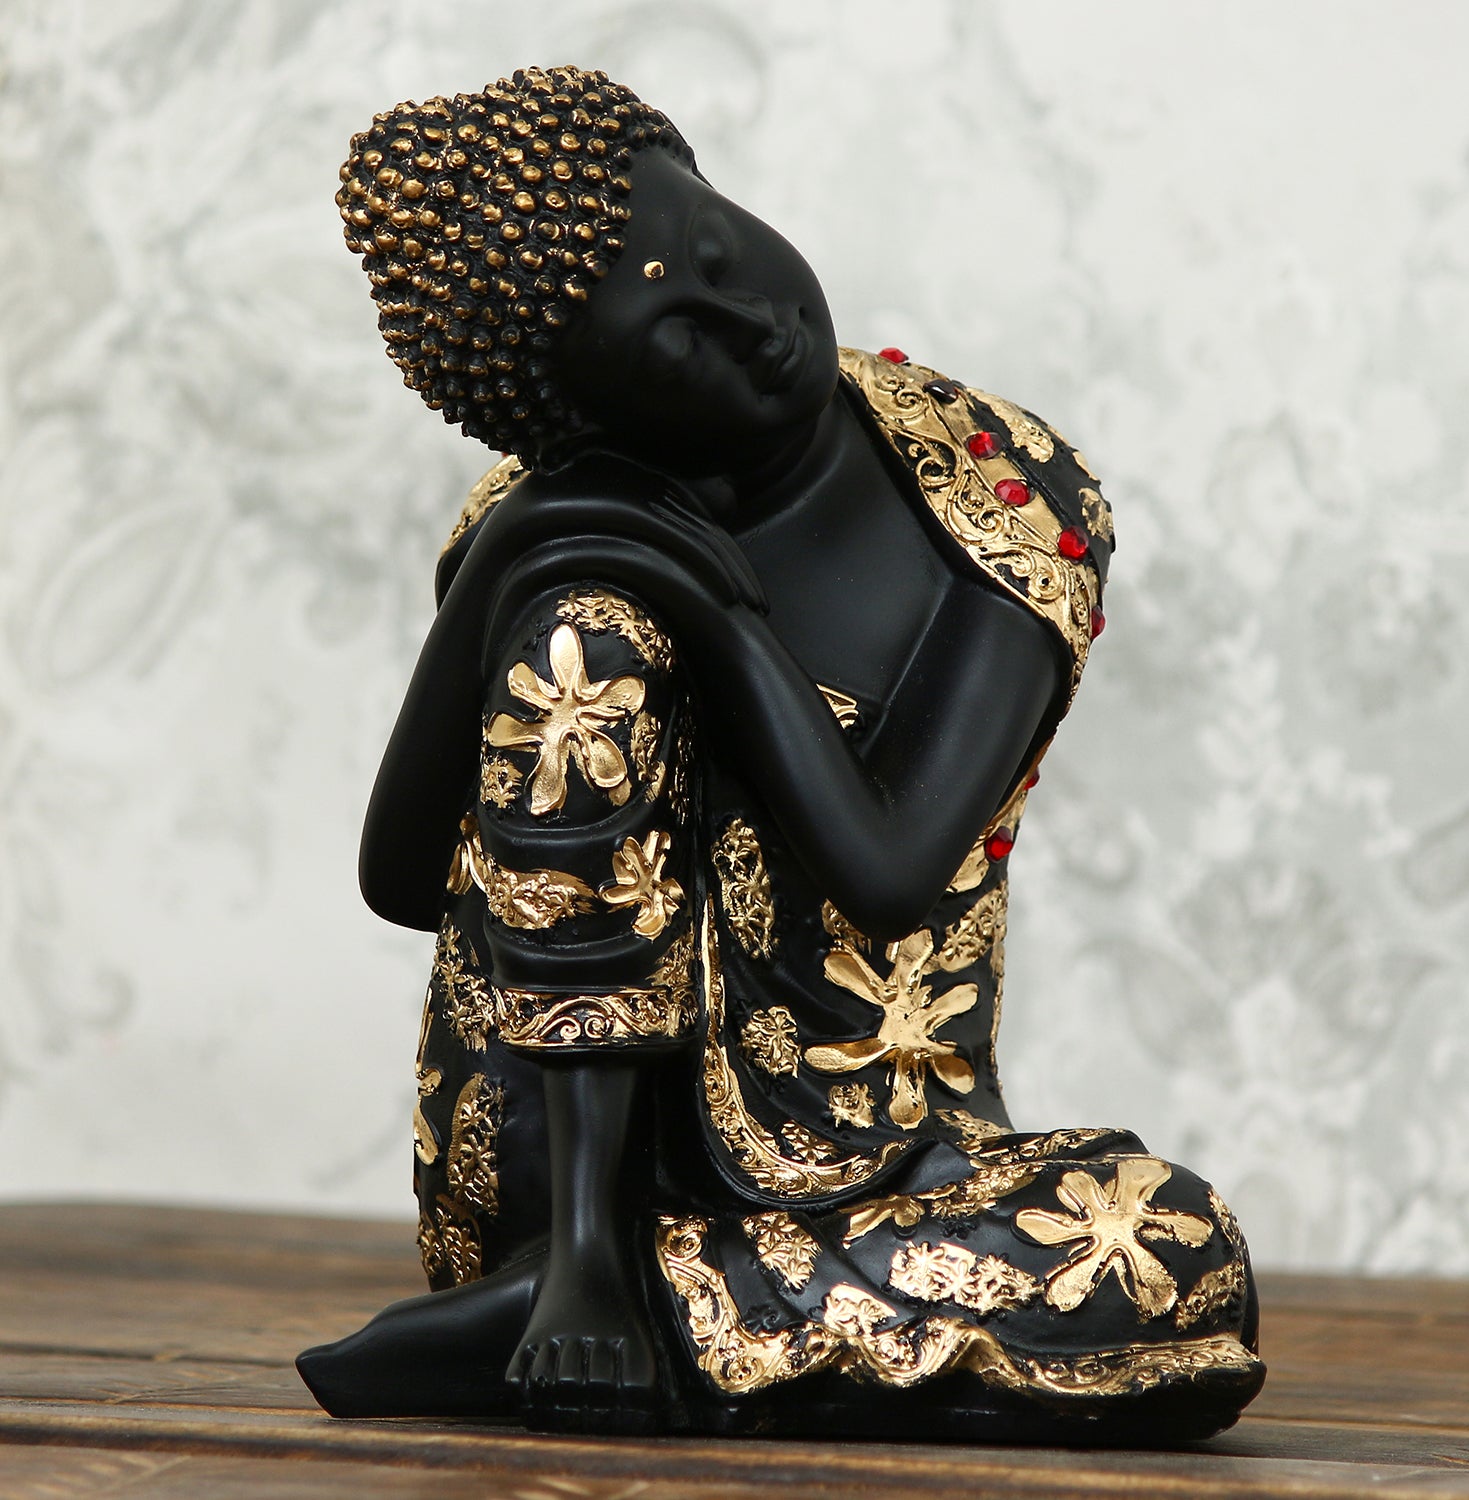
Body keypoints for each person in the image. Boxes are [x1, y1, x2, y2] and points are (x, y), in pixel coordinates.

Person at [298, 66, 1262, 1441]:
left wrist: (726, 620)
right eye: (672, 348)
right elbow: (401, 879)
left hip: (885, 1153)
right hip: (550, 1179)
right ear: (589, 421)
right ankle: (590, 1280)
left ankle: (622, 1320)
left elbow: (888, 867)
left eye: (715, 253)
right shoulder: (557, 524)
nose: (750, 326)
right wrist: (505, 563)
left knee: (1164, 1250)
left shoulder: (989, 487)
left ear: (709, 179)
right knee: (587, 636)